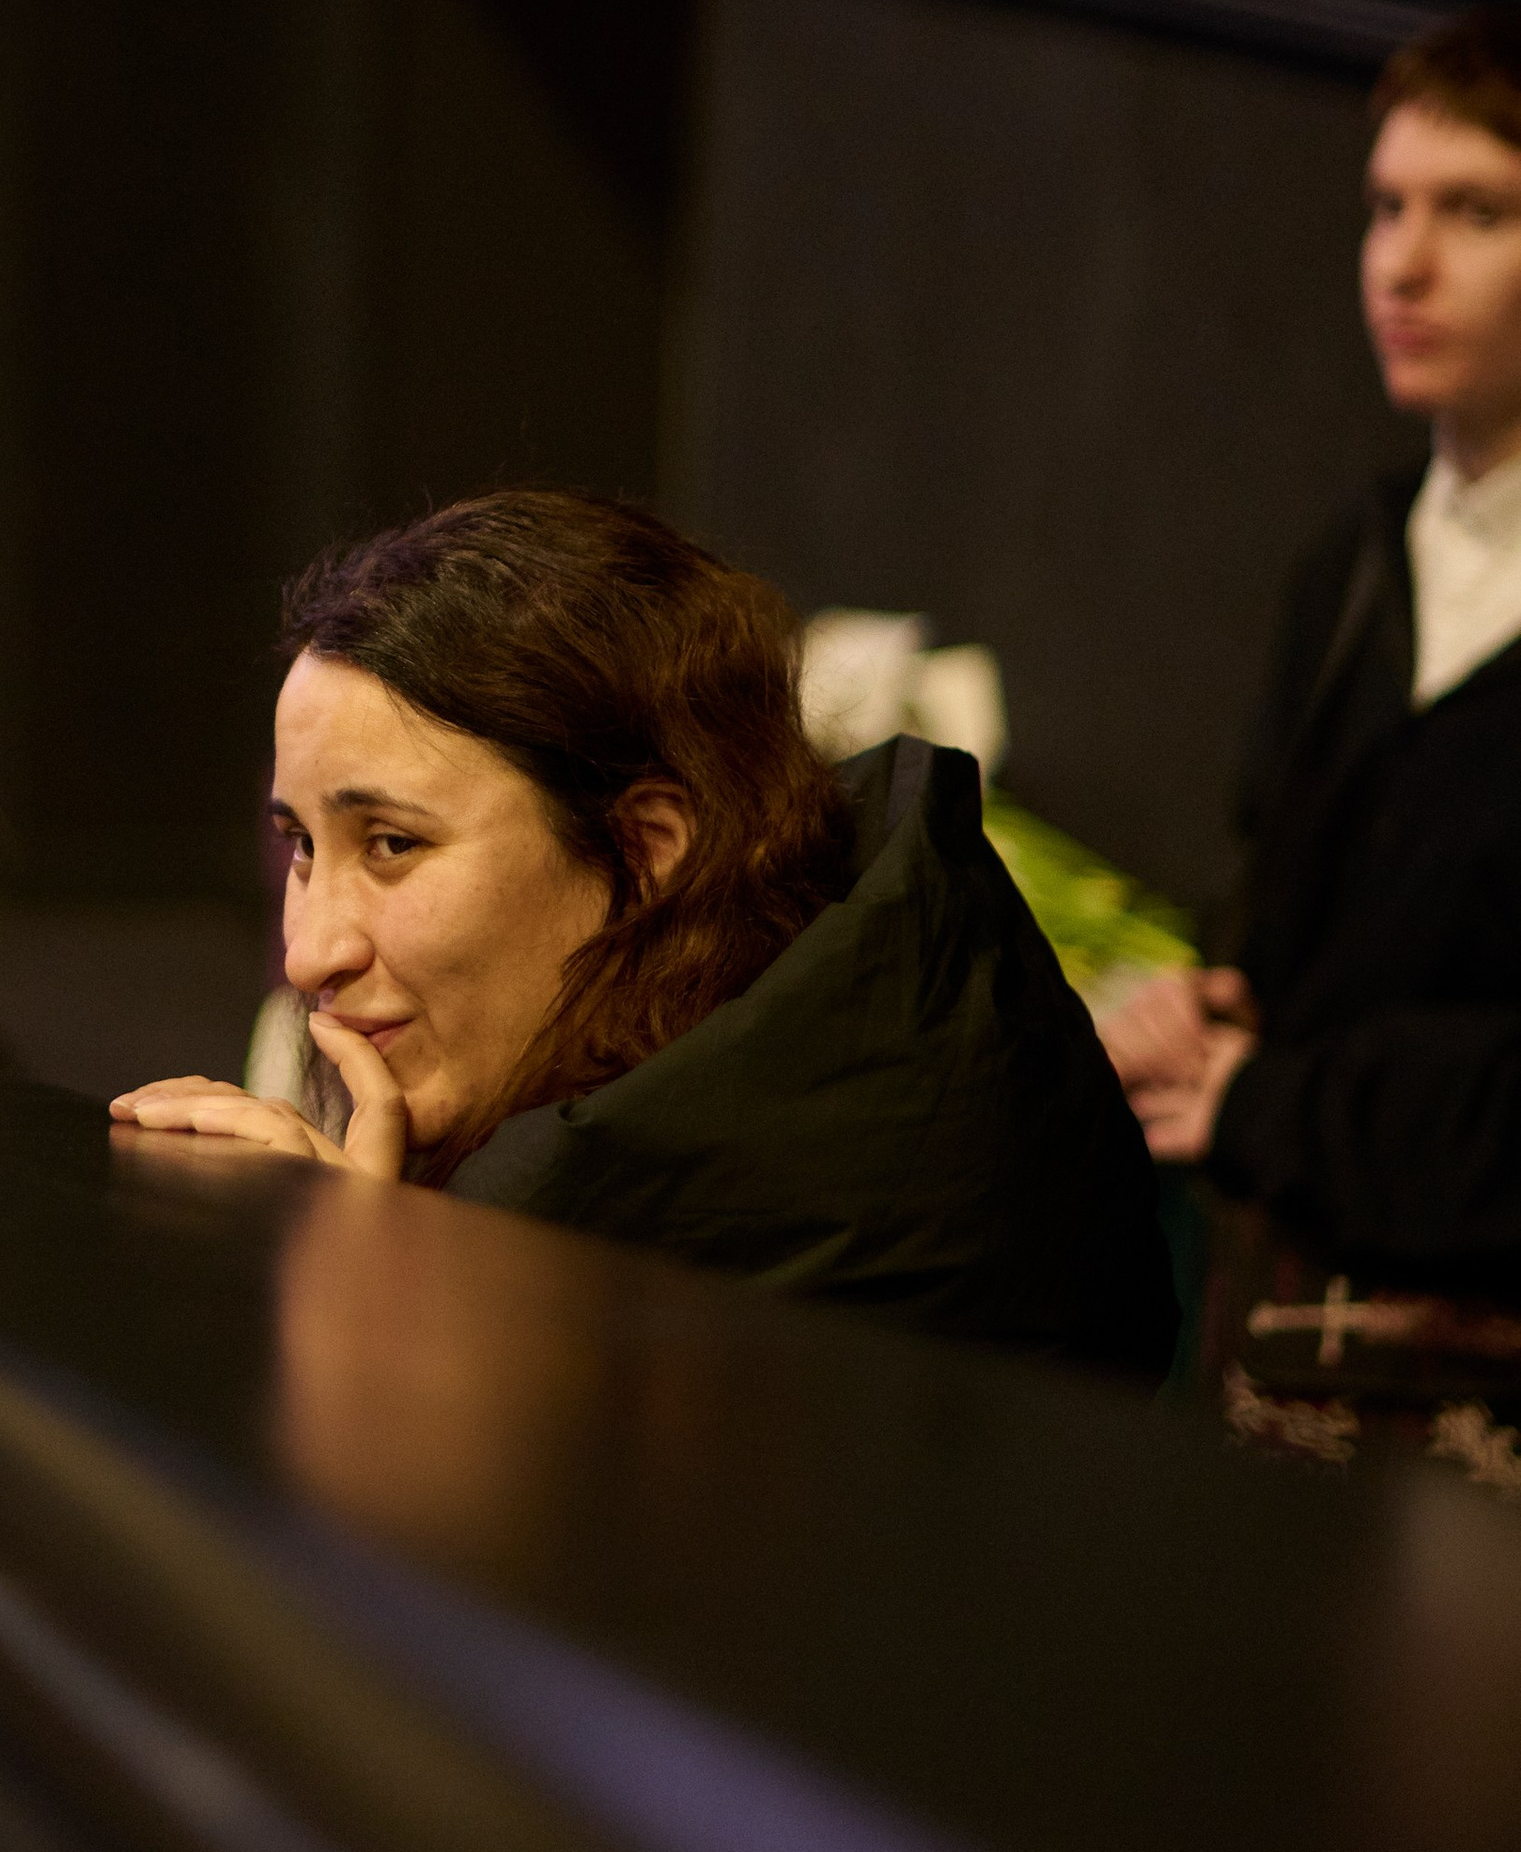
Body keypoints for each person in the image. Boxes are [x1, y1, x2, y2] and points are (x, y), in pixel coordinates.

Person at [114, 489, 1176, 1377]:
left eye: (390, 843)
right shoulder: (742, 1036)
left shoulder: (794, 1217)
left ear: (647, 848)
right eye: (301, 845)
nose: (309, 952)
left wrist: (379, 1317)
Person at [1097, 10, 1521, 1464]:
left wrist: (1271, 1102)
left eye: (1478, 212)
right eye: (1387, 207)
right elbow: (1297, 914)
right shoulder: (1351, 564)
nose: (1404, 265)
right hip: (1297, 1335)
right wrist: (1208, 998)